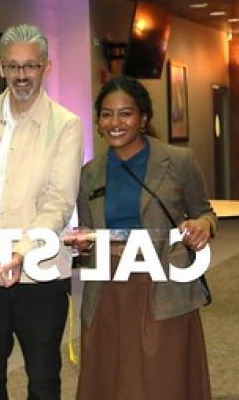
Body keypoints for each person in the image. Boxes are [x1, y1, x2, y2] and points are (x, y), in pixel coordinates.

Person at [0, 23, 84, 399]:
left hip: (38, 273)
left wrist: (21, 253)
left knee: (42, 377)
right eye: (13, 67)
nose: (22, 76)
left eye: (31, 66)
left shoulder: (65, 125)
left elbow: (59, 201)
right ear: (1, 68)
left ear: (46, 67)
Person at [71, 76, 215, 399]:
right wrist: (82, 246)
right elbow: (86, 237)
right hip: (108, 293)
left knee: (162, 381)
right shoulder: (89, 173)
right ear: (98, 122)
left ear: (143, 118)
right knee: (110, 382)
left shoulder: (179, 161)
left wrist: (204, 226)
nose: (115, 123)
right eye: (107, 114)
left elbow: (206, 213)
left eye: (126, 113)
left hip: (164, 289)